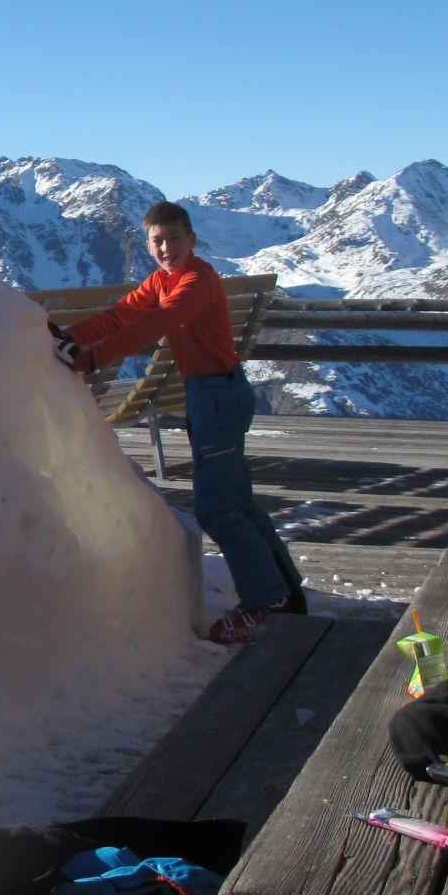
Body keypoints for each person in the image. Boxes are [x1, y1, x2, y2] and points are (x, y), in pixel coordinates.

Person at [54, 203, 306, 644]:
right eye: (157, 241)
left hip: (216, 397)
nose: (166, 248)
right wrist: (69, 338)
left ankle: (264, 602)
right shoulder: (163, 279)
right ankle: (284, 593)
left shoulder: (196, 281)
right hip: (212, 395)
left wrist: (91, 358)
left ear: (191, 239)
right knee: (238, 503)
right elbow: (123, 314)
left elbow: (159, 321)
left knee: (218, 509)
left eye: (173, 238)